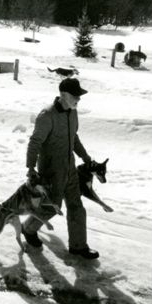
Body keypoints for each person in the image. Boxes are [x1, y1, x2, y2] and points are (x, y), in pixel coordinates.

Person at [22, 77, 99, 259]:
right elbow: (35, 143)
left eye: (79, 96)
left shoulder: (72, 112)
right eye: (75, 96)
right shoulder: (47, 116)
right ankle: (28, 228)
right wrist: (31, 167)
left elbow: (74, 137)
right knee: (51, 206)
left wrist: (85, 157)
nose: (78, 99)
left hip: (70, 167)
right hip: (51, 170)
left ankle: (78, 246)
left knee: (76, 205)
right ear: (63, 95)